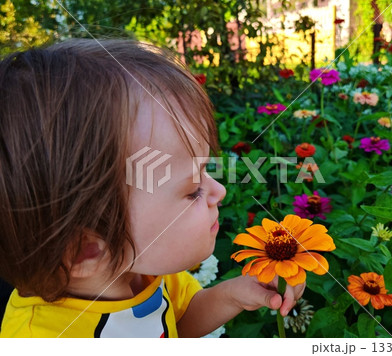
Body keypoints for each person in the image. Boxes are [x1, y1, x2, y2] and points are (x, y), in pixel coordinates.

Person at [0, 39, 305, 337]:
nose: (219, 191)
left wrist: (234, 295)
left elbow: (180, 320)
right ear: (87, 250)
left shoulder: (146, 273)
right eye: (193, 189)